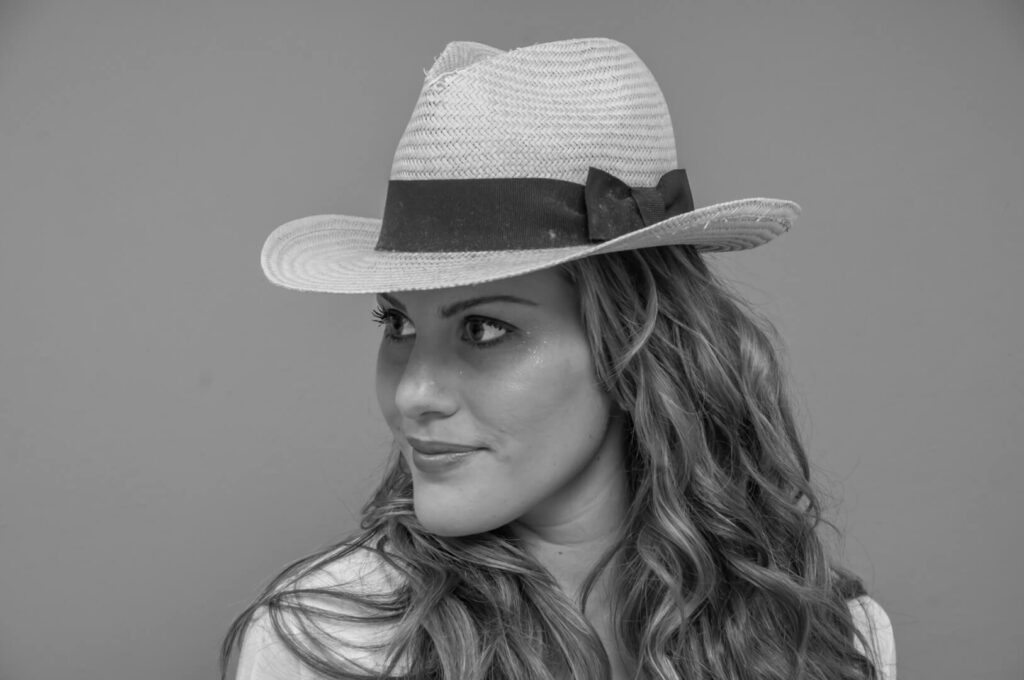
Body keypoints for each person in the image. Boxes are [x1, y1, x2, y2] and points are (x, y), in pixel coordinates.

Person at [221, 37, 896, 680]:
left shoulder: (831, 637)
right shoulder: (330, 649)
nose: (412, 393)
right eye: (396, 322)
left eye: (483, 329)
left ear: (634, 346)